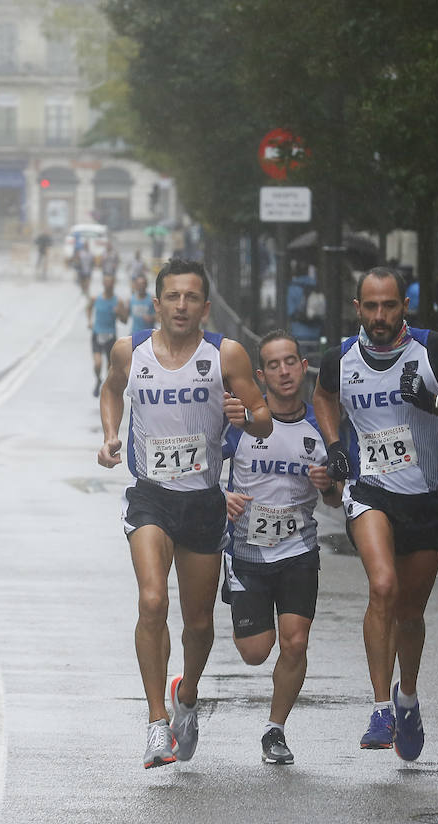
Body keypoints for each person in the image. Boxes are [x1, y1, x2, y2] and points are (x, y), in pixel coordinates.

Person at [97, 257, 272, 769]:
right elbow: (111, 390)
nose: (181, 305)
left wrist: (247, 417)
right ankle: (156, 724)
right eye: (172, 296)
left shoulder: (226, 355)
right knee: (152, 601)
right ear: (157, 303)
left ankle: (187, 698)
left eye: (191, 297)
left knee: (197, 621)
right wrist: (111, 432)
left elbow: (263, 418)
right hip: (150, 495)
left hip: (202, 501)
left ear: (204, 306)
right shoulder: (130, 351)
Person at [312, 266, 438, 761]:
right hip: (371, 492)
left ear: (404, 305)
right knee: (382, 587)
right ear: (357, 307)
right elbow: (323, 396)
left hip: (425, 498)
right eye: (371, 306)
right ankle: (381, 707)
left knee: (409, 613)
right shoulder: (340, 358)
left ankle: (407, 697)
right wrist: (335, 443)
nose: (380, 316)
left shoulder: (436, 350)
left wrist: (435, 403)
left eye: (389, 306)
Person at [221, 331, 341, 764]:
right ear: (260, 374)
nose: (284, 371)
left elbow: (335, 497)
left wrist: (329, 487)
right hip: (247, 552)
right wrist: (223, 497)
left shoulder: (321, 429)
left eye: (291, 362)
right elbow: (203, 472)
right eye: (274, 365)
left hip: (298, 549)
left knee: (295, 643)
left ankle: (275, 730)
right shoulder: (242, 424)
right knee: (255, 652)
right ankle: (185, 688)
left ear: (303, 366)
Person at [88, 273, 128, 397]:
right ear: (103, 284)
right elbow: (88, 308)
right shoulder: (96, 299)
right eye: (106, 282)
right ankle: (98, 379)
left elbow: (124, 320)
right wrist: (89, 321)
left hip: (111, 336)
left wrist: (119, 313)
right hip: (97, 334)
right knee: (98, 363)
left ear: (113, 284)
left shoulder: (118, 301)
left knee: (110, 368)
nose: (108, 285)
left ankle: (106, 389)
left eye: (110, 282)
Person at [285, 262, 321, 342]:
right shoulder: (315, 285)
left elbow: (291, 313)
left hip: (298, 332)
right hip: (315, 332)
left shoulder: (292, 288)